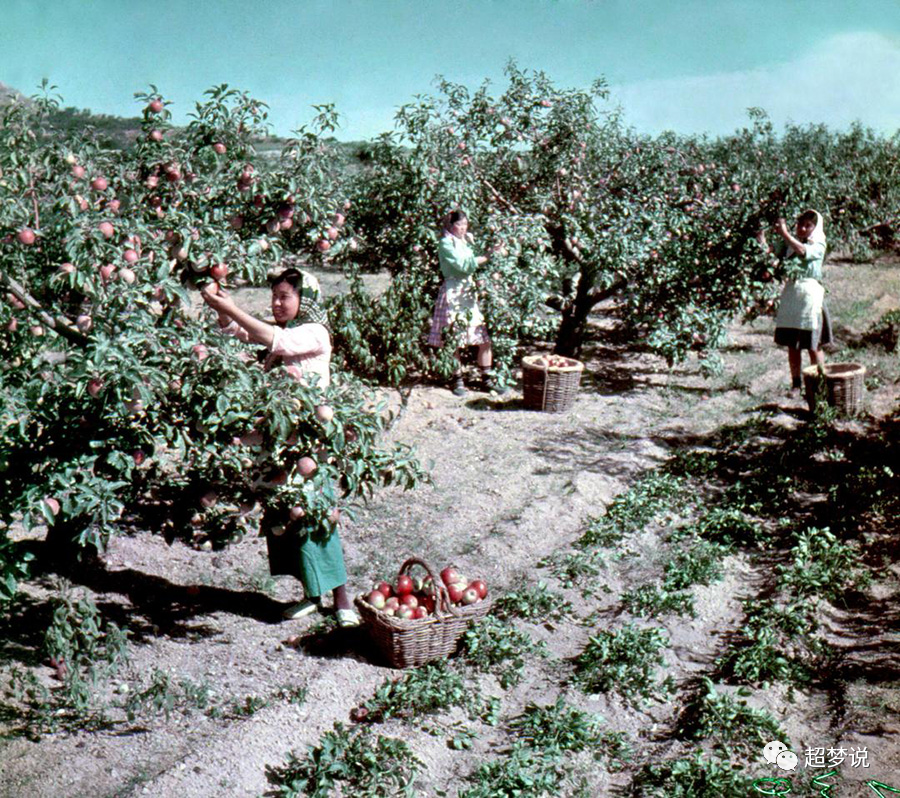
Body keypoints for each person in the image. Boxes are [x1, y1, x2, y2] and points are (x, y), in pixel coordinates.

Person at [200, 268, 360, 627]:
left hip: (307, 442)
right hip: (280, 439)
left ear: (305, 299)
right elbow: (242, 332)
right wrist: (221, 308)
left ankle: (342, 598)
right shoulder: (288, 331)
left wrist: (234, 307)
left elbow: (276, 341)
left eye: (284, 296)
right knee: (287, 514)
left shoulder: (314, 333)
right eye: (273, 296)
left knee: (317, 512)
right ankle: (310, 594)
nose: (276, 303)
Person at [427, 209, 502, 395]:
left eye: (465, 224)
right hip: (454, 291)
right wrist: (487, 256)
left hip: (468, 291)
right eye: (460, 225)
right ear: (450, 226)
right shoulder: (445, 243)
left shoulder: (463, 240)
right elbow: (463, 265)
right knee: (454, 339)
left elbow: (470, 257)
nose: (463, 228)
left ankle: (487, 378)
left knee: (482, 336)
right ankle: (457, 380)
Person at [757, 209, 832, 393]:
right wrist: (761, 238)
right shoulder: (788, 245)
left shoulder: (818, 243)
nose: (803, 229)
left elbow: (803, 250)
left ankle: (819, 384)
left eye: (808, 226)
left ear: (815, 228)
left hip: (810, 296)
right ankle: (796, 384)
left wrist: (784, 232)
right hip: (792, 294)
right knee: (793, 344)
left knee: (813, 344)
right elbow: (772, 256)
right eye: (800, 224)